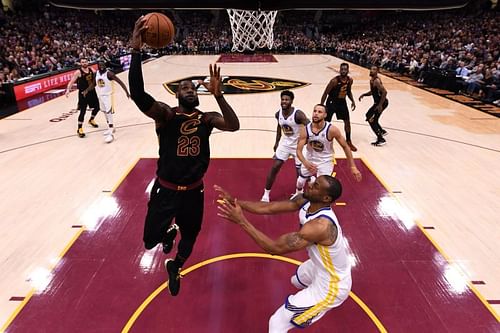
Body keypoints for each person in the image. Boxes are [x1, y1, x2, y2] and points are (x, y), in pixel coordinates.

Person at [129, 16, 240, 296]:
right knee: (150, 241)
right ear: (177, 95)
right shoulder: (166, 115)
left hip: (193, 191)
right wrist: (136, 51)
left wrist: (219, 96)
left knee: (190, 238)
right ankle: (168, 229)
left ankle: (175, 266)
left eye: (193, 88)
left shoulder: (207, 117)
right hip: (165, 191)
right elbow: (139, 95)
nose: (190, 90)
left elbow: (234, 125)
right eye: (184, 88)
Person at [215, 175, 351, 332]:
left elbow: (274, 248)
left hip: (332, 284)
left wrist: (241, 221)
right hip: (320, 267)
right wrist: (235, 201)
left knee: (277, 322)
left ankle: (317, 305)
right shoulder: (306, 200)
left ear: (326, 198)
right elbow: (268, 208)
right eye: (314, 182)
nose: (310, 184)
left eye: (316, 186)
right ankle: (309, 305)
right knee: (297, 280)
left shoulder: (320, 227)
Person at [295, 104, 361, 195]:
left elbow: (345, 147)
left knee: (322, 187)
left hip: (325, 161)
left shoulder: (332, 130)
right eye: (315, 111)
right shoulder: (305, 130)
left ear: (325, 115)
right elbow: (298, 150)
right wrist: (305, 162)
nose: (316, 114)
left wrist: (353, 166)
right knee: (300, 182)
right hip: (310, 159)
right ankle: (298, 193)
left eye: (319, 112)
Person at [261, 90, 309, 202]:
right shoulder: (278, 114)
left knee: (299, 172)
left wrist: (306, 141)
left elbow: (309, 126)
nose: (284, 101)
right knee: (275, 167)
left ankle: (299, 193)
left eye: (286, 99)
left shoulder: (298, 114)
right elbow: (279, 127)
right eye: (282, 99)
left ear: (291, 101)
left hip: (298, 146)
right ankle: (266, 194)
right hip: (285, 144)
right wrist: (277, 142)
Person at [320, 62, 357, 152]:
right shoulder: (334, 81)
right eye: (342, 69)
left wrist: (352, 100)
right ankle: (322, 140)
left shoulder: (350, 80)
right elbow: (325, 93)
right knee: (326, 122)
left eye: (345, 69)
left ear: (348, 70)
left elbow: (348, 91)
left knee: (347, 121)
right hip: (332, 102)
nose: (343, 71)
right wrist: (321, 106)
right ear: (339, 70)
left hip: (342, 102)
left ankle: (348, 140)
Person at [95, 59, 130, 143]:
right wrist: (86, 90)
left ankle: (111, 133)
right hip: (100, 95)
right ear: (98, 66)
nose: (102, 66)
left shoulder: (109, 73)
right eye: (100, 65)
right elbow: (94, 83)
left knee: (109, 112)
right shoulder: (96, 73)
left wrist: (127, 92)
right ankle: (110, 128)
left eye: (103, 64)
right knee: (104, 112)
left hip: (108, 96)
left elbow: (120, 82)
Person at [65, 57, 100, 138]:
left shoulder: (92, 70)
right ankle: (79, 129)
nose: (84, 63)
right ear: (80, 63)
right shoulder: (78, 72)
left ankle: (91, 119)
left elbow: (98, 77)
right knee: (83, 111)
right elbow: (71, 81)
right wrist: (67, 90)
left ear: (88, 62)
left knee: (97, 107)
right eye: (83, 62)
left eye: (85, 62)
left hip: (92, 92)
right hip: (83, 93)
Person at [359, 66, 389, 147]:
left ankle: (381, 139)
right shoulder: (372, 80)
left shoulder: (376, 81)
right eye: (371, 69)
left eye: (374, 69)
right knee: (374, 119)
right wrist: (364, 94)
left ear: (377, 71)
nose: (371, 71)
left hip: (381, 103)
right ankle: (382, 131)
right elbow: (373, 92)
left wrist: (380, 105)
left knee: (369, 117)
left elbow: (385, 92)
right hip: (379, 103)